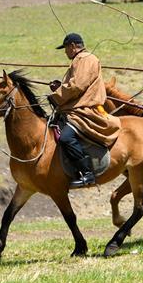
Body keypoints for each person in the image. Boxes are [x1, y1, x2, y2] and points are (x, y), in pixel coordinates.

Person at [49, 32, 120, 189]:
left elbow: (77, 86)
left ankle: (87, 173)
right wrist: (59, 88)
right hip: (75, 108)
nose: (65, 52)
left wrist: (56, 96)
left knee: (65, 138)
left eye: (66, 48)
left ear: (73, 46)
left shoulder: (86, 59)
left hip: (84, 110)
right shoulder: (80, 60)